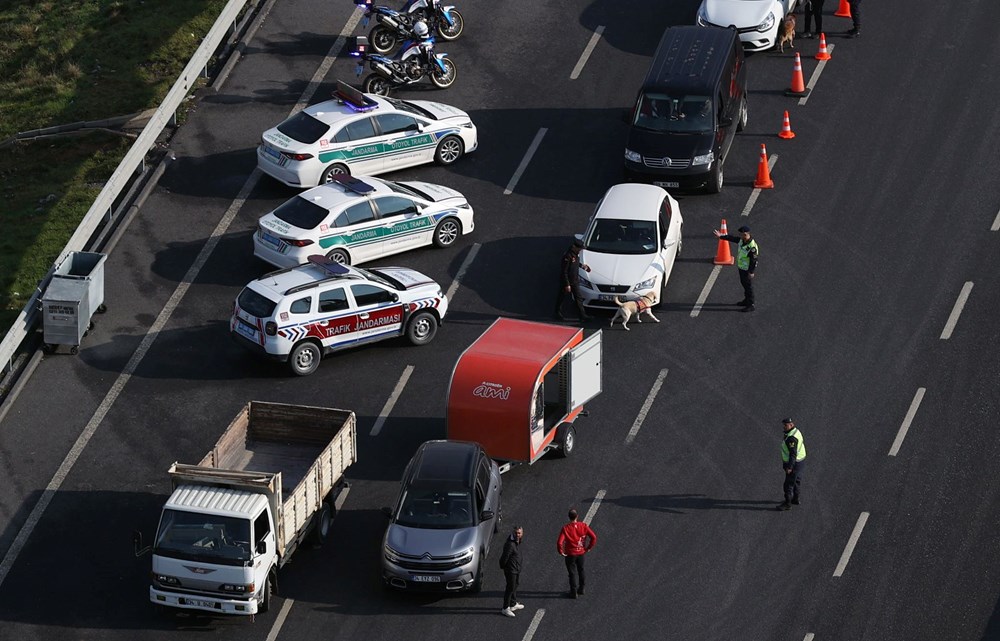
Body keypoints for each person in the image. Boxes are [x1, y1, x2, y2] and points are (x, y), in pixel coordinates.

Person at [712, 224, 759, 312]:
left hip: (746, 269)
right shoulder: (742, 240)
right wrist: (721, 236)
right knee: (744, 285)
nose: (742, 236)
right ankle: (746, 300)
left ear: (747, 234)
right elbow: (732, 238)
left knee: (748, 287)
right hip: (741, 267)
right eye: (741, 234)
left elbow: (754, 261)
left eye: (743, 235)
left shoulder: (752, 247)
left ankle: (751, 304)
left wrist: (751, 272)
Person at [557, 508, 597, 599]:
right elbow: (594, 537)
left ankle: (573, 592)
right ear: (577, 516)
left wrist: (561, 551)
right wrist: (588, 548)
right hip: (581, 553)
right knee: (581, 570)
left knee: (572, 573)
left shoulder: (565, 528)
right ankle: (582, 588)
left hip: (570, 554)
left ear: (569, 517)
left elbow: (560, 542)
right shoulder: (583, 526)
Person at [554, 238, 592, 322]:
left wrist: (583, 266)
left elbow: (576, 264)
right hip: (566, 281)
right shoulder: (568, 256)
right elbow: (564, 271)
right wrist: (567, 284)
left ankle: (582, 316)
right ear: (575, 247)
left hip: (575, 280)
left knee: (578, 298)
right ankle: (557, 313)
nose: (581, 250)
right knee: (561, 297)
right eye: (580, 248)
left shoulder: (576, 254)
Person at [778, 418, 807, 511]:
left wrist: (790, 467)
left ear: (791, 425)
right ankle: (796, 499)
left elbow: (792, 454)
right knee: (797, 480)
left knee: (788, 484)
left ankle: (787, 504)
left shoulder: (791, 438)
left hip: (794, 463)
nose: (784, 427)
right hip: (800, 461)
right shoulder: (796, 431)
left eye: (785, 425)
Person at [499, 526, 525, 617]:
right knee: (510, 588)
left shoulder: (517, 541)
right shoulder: (510, 544)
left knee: (515, 585)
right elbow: (504, 558)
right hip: (511, 570)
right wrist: (504, 567)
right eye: (516, 533)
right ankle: (505, 608)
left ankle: (513, 604)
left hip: (516, 569)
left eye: (519, 533)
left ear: (522, 533)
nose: (518, 535)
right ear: (513, 533)